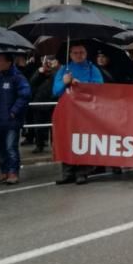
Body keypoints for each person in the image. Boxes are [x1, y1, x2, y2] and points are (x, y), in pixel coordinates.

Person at [53, 43, 103, 185]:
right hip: (67, 111)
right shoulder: (64, 70)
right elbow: (55, 91)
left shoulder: (93, 69)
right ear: (70, 55)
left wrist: (82, 85)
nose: (79, 55)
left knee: (82, 141)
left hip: (85, 112)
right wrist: (65, 82)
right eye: (75, 53)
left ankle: (82, 172)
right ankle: (67, 172)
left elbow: (100, 88)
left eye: (81, 52)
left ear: (86, 54)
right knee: (66, 140)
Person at [0, 53, 31, 185]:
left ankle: (13, 172)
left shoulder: (17, 77)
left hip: (11, 121)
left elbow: (25, 95)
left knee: (10, 147)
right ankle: (4, 172)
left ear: (8, 62)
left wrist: (14, 112)